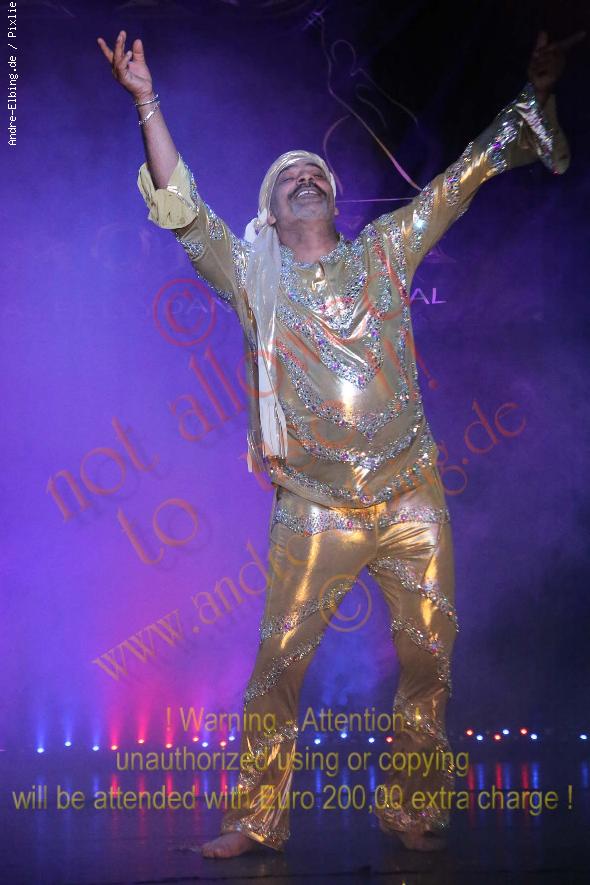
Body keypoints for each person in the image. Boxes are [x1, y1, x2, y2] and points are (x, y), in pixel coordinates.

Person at [98, 27, 583, 857]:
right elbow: (182, 206)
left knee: (429, 657)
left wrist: (534, 99)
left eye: (315, 173)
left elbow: (461, 179)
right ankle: (256, 816)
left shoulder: (385, 251)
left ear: (332, 196)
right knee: (279, 663)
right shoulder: (253, 279)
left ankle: (409, 806)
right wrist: (147, 102)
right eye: (289, 177)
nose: (306, 178)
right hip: (314, 505)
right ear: (270, 213)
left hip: (410, 494)